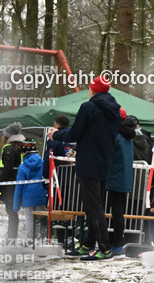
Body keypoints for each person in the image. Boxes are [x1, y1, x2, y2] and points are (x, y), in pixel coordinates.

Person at [51, 75, 122, 260]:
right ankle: (88, 244)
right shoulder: (115, 110)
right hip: (105, 161)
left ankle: (104, 248)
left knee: (93, 205)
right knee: (93, 204)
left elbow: (75, 133)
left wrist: (56, 134)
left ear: (92, 90)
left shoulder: (88, 107)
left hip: (89, 161)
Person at [107, 109, 138, 256]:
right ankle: (117, 245)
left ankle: (115, 245)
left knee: (114, 212)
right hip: (124, 178)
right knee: (118, 213)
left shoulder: (115, 135)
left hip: (113, 176)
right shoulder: (129, 137)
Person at [13, 139, 46, 240]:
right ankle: (39, 238)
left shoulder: (22, 167)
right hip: (41, 194)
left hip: (28, 197)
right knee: (39, 218)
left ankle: (31, 239)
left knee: (29, 219)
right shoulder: (44, 163)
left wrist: (16, 205)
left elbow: (19, 186)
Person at [0, 124, 25, 239]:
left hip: (10, 185)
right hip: (18, 182)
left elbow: (7, 169)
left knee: (11, 212)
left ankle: (11, 237)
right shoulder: (19, 147)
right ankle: (11, 236)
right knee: (13, 212)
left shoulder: (9, 148)